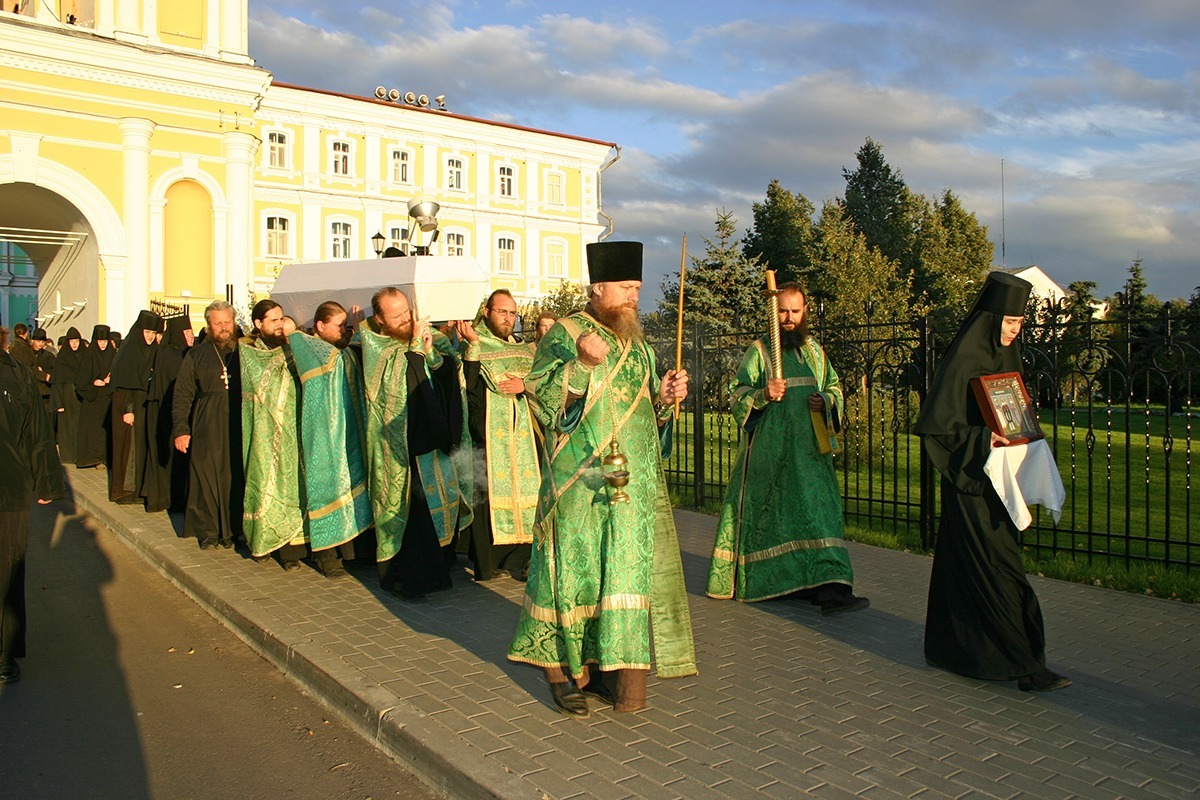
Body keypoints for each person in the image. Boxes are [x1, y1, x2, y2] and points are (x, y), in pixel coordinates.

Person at [507, 241, 695, 717]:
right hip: (578, 483)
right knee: (569, 575)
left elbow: (647, 416)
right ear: (597, 287)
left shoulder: (640, 344)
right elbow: (543, 399)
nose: (634, 296)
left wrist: (667, 399)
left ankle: (613, 673)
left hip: (629, 486)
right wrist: (581, 365)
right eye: (625, 288)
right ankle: (562, 672)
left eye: (637, 287)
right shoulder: (567, 333)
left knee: (621, 576)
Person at [914, 271, 1071, 693]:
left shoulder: (1007, 356)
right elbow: (938, 429)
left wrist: (1020, 430)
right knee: (999, 569)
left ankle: (954, 650)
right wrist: (985, 438)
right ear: (991, 318)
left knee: (969, 568)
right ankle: (1026, 666)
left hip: (1002, 482)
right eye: (1010, 322)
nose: (1016, 330)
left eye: (1020, 324)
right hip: (970, 483)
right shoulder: (963, 358)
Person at [706, 282, 869, 613]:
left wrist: (824, 399)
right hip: (771, 455)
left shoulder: (814, 352)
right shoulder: (760, 351)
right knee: (774, 518)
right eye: (783, 311)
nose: (789, 318)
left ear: (805, 311)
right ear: (772, 312)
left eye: (795, 311)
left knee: (820, 516)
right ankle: (785, 585)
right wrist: (763, 394)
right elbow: (736, 394)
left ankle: (832, 587)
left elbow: (834, 387)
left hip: (810, 455)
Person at [361, 287, 464, 599]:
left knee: (435, 507)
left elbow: (447, 375)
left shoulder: (424, 338)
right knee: (408, 511)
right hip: (400, 446)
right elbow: (393, 388)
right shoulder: (374, 346)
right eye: (397, 316)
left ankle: (438, 569)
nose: (406, 319)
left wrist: (430, 354)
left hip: (430, 439)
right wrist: (417, 349)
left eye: (407, 311)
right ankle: (405, 578)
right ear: (380, 320)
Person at [455, 289, 538, 582]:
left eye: (512, 313)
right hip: (488, 433)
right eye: (502, 311)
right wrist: (473, 348)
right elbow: (469, 387)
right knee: (487, 494)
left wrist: (524, 385)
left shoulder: (526, 349)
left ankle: (522, 557)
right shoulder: (474, 342)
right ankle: (488, 561)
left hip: (525, 435)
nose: (508, 318)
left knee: (527, 491)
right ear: (487, 311)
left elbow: (542, 381)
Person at [0, 325, 65, 684]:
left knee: (8, 569)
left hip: (9, 487)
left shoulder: (16, 373)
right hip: (11, 486)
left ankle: (3, 654)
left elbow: (36, 432)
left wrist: (46, 480)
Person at [240, 299, 307, 570]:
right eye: (274, 320)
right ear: (259, 324)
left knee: (293, 486)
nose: (280, 325)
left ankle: (292, 551)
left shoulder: (291, 348)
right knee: (265, 483)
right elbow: (260, 385)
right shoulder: (249, 353)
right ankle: (263, 541)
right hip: (264, 431)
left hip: (293, 426)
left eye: (282, 319)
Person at [173, 301, 241, 550]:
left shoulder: (245, 352)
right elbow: (182, 395)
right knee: (206, 476)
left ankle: (235, 530)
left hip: (238, 421)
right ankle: (209, 531)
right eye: (218, 323)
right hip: (207, 422)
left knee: (235, 476)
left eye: (228, 322)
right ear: (209, 325)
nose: (224, 328)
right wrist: (181, 429)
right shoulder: (196, 355)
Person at [109, 310, 162, 504]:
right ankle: (126, 491)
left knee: (140, 447)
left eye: (153, 333)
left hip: (143, 405)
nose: (150, 337)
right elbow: (124, 381)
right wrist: (128, 409)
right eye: (147, 332)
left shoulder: (152, 350)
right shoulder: (130, 350)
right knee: (129, 449)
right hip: (128, 406)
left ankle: (140, 489)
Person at [141, 316, 193, 513]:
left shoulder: (185, 354)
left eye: (190, 333)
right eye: (186, 333)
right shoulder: (171, 356)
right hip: (168, 414)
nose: (190, 336)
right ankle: (171, 499)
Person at [75, 324, 115, 469]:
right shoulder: (89, 355)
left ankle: (106, 458)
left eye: (105, 341)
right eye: (100, 341)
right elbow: (80, 382)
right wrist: (93, 382)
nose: (103, 344)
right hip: (93, 400)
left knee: (107, 430)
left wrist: (111, 380)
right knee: (94, 431)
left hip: (108, 398)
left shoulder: (113, 355)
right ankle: (95, 459)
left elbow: (118, 375)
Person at [51, 327, 85, 464]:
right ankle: (67, 456)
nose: (75, 344)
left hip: (80, 396)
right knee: (66, 426)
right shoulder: (62, 359)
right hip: (65, 396)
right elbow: (57, 382)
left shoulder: (84, 356)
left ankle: (78, 454)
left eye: (77, 341)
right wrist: (58, 403)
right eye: (72, 341)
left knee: (79, 425)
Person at [29, 328, 56, 428]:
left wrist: (43, 373)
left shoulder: (49, 356)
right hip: (32, 391)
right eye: (38, 341)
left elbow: (54, 374)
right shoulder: (28, 354)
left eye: (42, 341)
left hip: (45, 393)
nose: (40, 344)